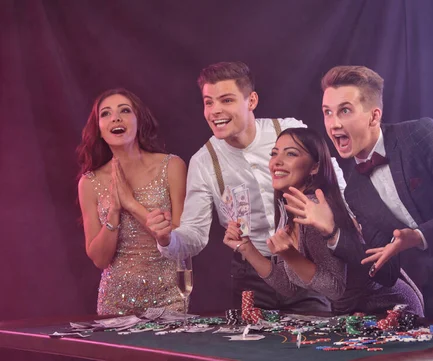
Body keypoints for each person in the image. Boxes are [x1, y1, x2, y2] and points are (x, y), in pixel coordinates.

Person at [147, 62, 346, 312]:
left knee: (313, 343)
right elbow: (195, 235)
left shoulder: (286, 130)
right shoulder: (204, 161)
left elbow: (335, 180)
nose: (215, 111)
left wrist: (337, 232)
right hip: (252, 271)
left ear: (251, 100)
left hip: (306, 262)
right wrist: (167, 239)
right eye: (209, 102)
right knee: (251, 347)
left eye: (226, 100)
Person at [320, 65, 433, 319]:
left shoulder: (420, 135)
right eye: (327, 112)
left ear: (374, 116)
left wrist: (418, 236)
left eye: (344, 111)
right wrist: (332, 231)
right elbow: (385, 270)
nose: (334, 123)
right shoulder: (354, 191)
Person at [225, 128, 423, 315]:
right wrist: (246, 248)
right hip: (353, 314)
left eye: (290, 154)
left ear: (315, 167)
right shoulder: (287, 211)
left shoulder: (315, 210)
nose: (276, 162)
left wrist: (290, 255)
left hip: (389, 308)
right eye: (274, 153)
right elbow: (288, 286)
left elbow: (335, 288)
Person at [77, 88, 187, 315]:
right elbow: (99, 259)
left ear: (139, 121)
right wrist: (114, 211)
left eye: (125, 111)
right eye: (105, 114)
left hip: (169, 300)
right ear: (98, 129)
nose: (115, 118)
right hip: (115, 304)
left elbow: (182, 245)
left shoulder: (172, 166)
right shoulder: (89, 183)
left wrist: (130, 203)